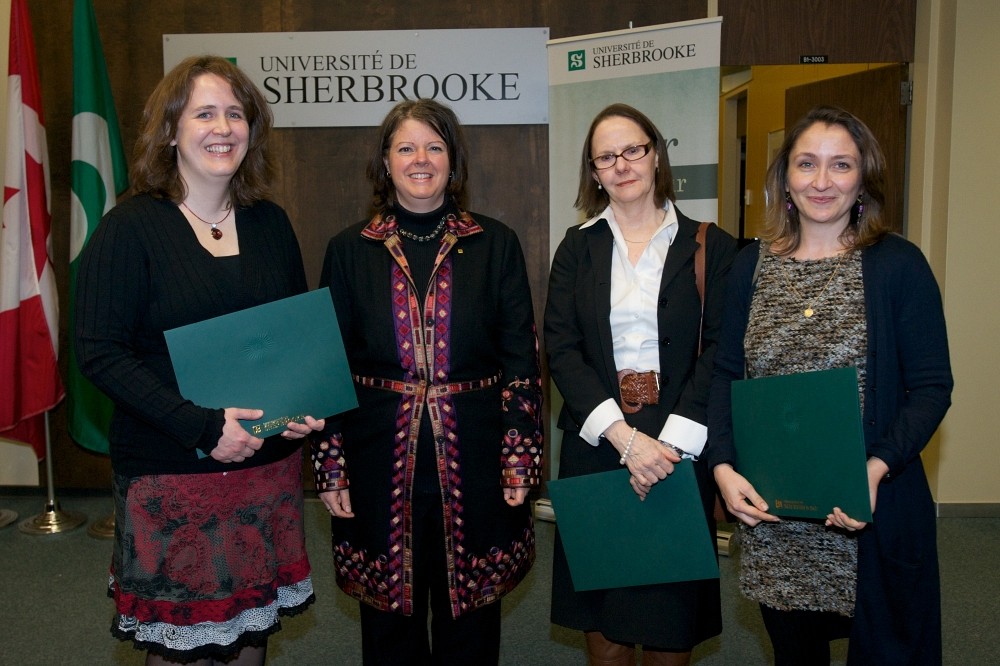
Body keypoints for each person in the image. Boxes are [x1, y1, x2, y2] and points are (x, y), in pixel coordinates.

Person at [75, 55, 321, 666]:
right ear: (170, 131)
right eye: (204, 112)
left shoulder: (271, 224)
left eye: (236, 113)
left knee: (249, 642)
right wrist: (204, 428)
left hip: (264, 472)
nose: (223, 127)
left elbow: (289, 339)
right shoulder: (127, 228)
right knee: (187, 650)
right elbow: (99, 353)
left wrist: (300, 407)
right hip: (174, 474)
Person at [706, 105, 953, 665]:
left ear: (863, 176)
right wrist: (722, 469)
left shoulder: (898, 265)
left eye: (840, 165)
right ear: (784, 179)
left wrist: (876, 466)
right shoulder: (750, 265)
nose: (822, 181)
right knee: (795, 655)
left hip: (869, 511)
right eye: (806, 164)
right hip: (774, 516)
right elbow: (726, 375)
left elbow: (932, 387)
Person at [312, 98, 543, 665]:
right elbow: (327, 368)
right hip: (377, 465)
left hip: (477, 461)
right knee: (390, 628)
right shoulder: (347, 250)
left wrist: (520, 459)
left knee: (471, 625)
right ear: (385, 162)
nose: (421, 159)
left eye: (435, 147)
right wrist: (329, 464)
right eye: (406, 147)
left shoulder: (496, 243)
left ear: (453, 161)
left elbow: (521, 361)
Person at [546, 103, 735, 666]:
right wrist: (624, 439)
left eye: (633, 150)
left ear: (656, 154)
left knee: (668, 631)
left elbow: (723, 348)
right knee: (604, 633)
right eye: (606, 156)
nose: (622, 164)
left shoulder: (711, 244)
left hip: (679, 446)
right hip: (599, 443)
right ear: (593, 170)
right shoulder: (576, 247)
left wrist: (668, 443)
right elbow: (560, 348)